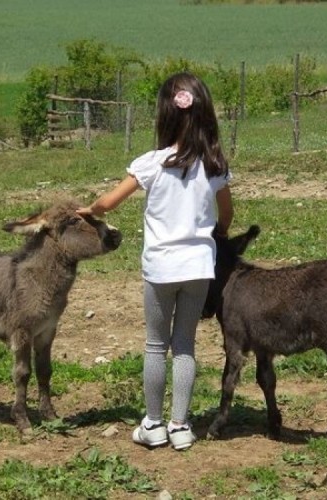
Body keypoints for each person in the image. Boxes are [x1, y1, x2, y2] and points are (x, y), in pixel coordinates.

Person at [77, 72, 233, 451]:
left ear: (166, 114)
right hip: (198, 268)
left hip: (161, 268)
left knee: (155, 345)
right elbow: (226, 215)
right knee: (185, 345)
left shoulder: (152, 163)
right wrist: (218, 234)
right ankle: (181, 426)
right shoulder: (214, 165)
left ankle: (153, 424)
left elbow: (108, 203)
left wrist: (89, 210)